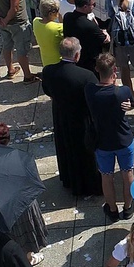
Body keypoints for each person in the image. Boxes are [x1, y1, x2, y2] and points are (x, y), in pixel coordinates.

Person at [42, 37, 103, 197]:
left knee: (66, 149)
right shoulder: (86, 76)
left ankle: (69, 180)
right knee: (84, 154)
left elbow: (47, 91)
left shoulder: (48, 71)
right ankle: (89, 186)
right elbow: (95, 98)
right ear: (77, 55)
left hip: (61, 116)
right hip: (81, 119)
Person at [0, 123, 48, 266]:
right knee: (26, 233)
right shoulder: (18, 158)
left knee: (9, 237)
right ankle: (28, 259)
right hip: (21, 205)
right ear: (7, 141)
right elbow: (32, 181)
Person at [84, 52, 134, 222]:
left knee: (106, 176)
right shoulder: (122, 92)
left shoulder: (90, 90)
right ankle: (128, 207)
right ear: (115, 70)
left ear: (97, 70)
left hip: (102, 142)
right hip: (123, 139)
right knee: (127, 173)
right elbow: (127, 99)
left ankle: (112, 209)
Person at [0, 0, 39, 83]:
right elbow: (14, 8)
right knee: (22, 50)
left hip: (2, 21)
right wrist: (6, 20)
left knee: (7, 46)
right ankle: (28, 76)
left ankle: (10, 70)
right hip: (18, 23)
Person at [63, 0, 110, 74]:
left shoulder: (67, 17)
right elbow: (105, 40)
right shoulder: (89, 25)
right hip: (89, 63)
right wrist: (105, 32)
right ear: (85, 7)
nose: (94, 7)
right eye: (93, 5)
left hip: (74, 59)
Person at [33, 0, 64, 67]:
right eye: (57, 11)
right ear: (51, 13)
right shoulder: (58, 28)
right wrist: (61, 20)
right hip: (58, 62)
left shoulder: (35, 22)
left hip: (46, 62)